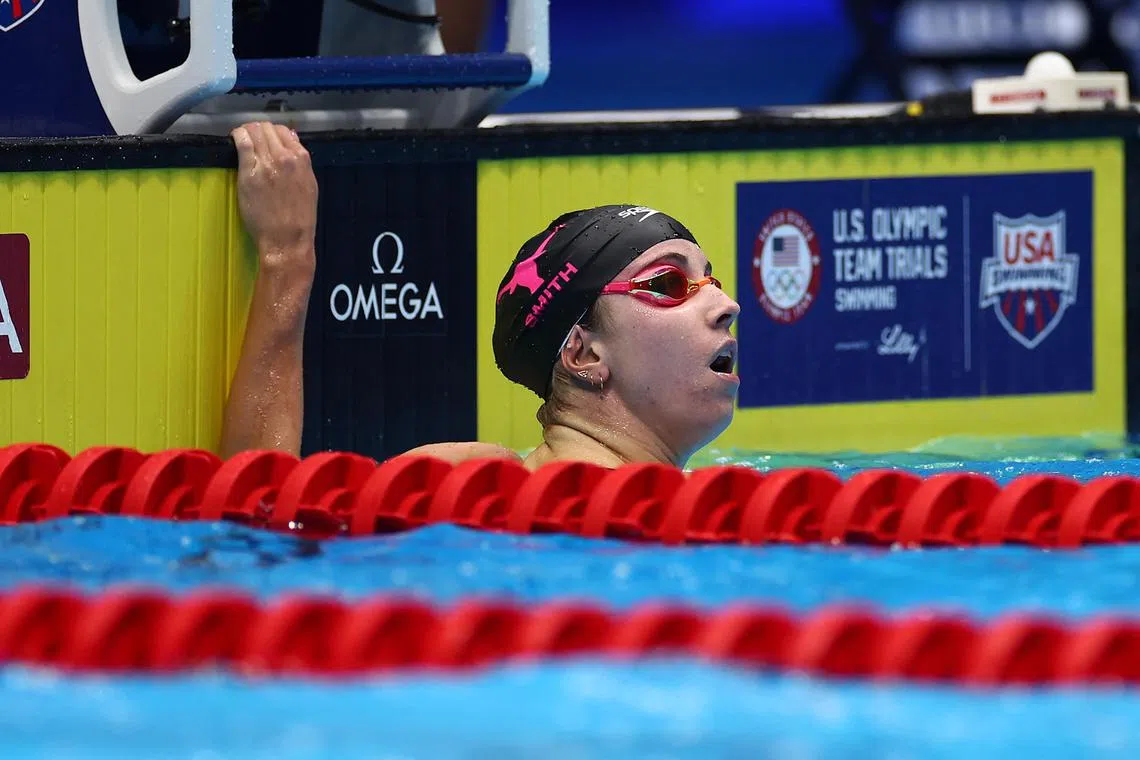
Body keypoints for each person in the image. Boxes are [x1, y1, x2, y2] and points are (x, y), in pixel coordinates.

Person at [220, 122, 741, 471]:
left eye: (710, 281)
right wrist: (286, 258)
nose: (726, 306)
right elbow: (260, 523)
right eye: (667, 284)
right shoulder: (473, 484)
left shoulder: (709, 503)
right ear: (583, 352)